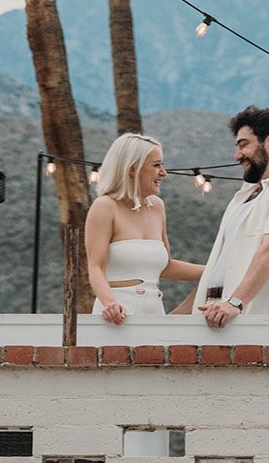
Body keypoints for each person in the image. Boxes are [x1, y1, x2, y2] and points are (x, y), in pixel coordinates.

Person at [182, 105, 269, 328]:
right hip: (213, 314)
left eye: (244, 145)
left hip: (249, 319)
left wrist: (235, 303)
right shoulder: (241, 197)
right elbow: (220, 267)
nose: (237, 156)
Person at [85, 132, 204, 324]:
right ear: (133, 168)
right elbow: (95, 266)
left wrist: (212, 271)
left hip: (155, 312)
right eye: (157, 165)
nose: (163, 173)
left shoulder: (157, 206)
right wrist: (110, 304)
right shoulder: (104, 206)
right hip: (116, 316)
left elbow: (166, 266)